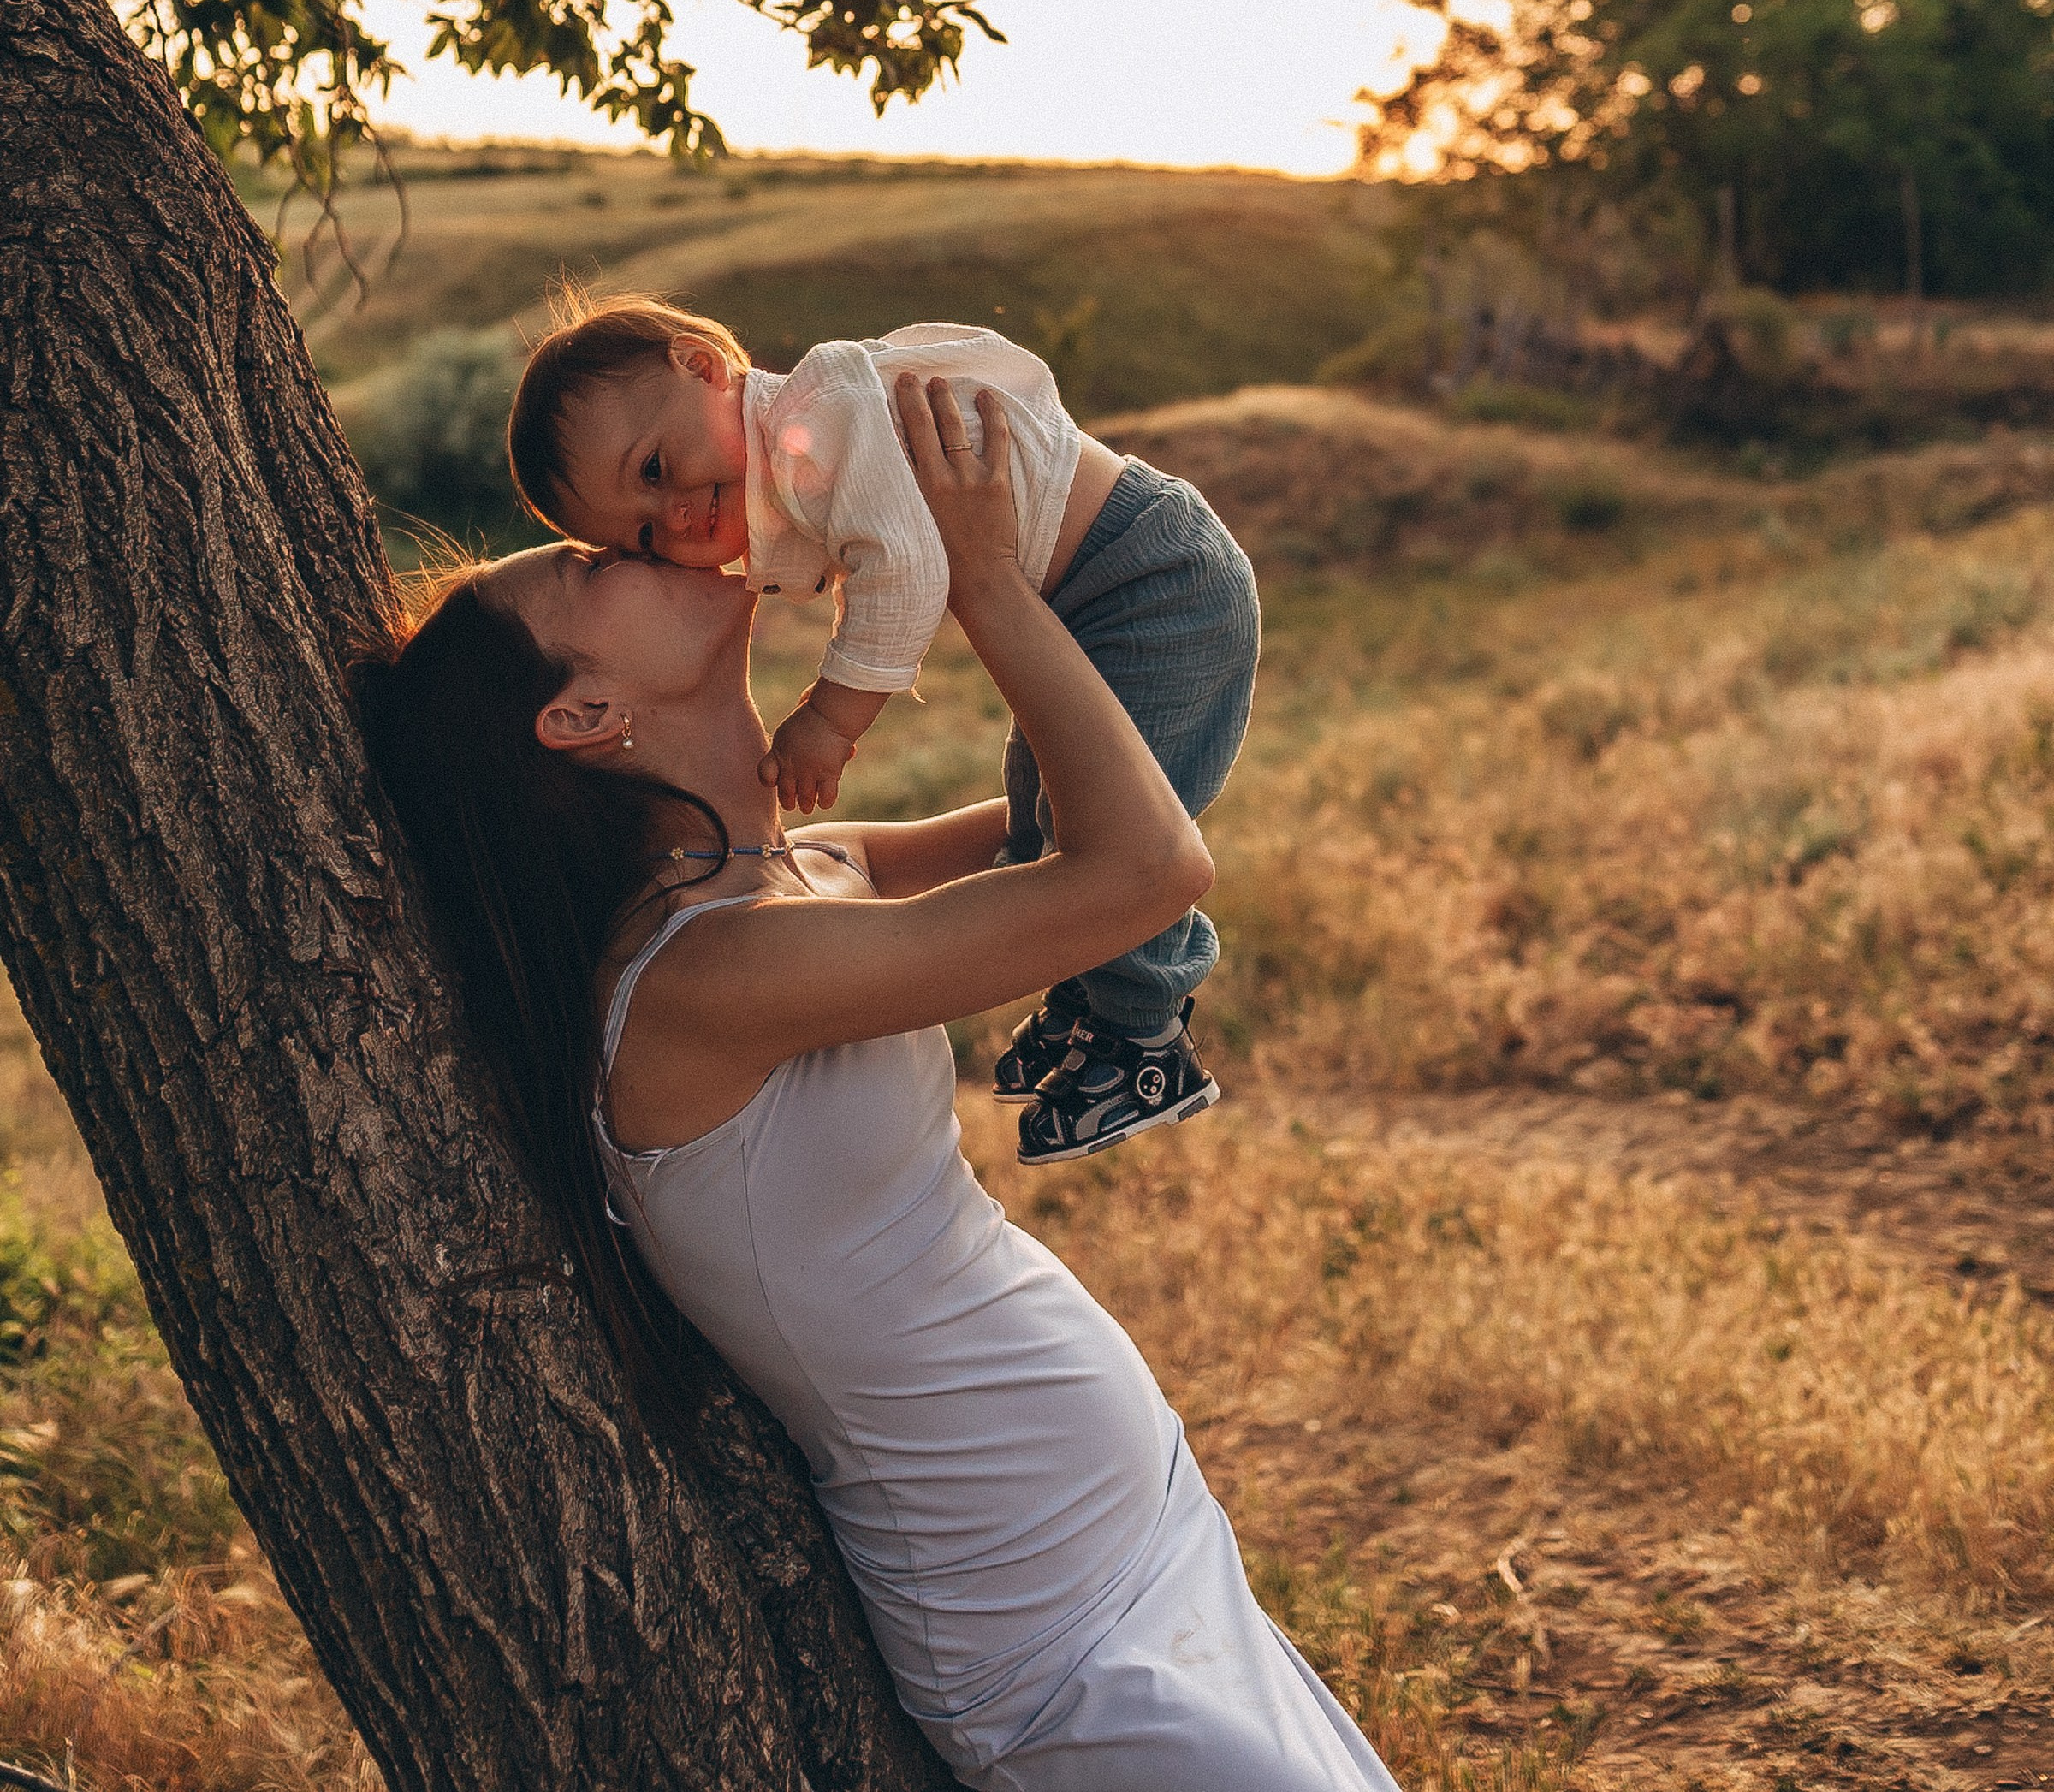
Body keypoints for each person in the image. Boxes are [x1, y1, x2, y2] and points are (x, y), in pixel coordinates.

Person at [356, 376, 1398, 1792]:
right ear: (583, 708)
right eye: (599, 563)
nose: (663, 540)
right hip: (1046, 1633)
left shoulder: (804, 867)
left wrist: (1108, 555)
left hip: (1138, 1529)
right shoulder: (692, 984)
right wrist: (977, 582)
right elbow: (1145, 870)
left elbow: (1112, 808)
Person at [504, 299, 1261, 1166]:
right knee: (1045, 797)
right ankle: (1092, 1000)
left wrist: (830, 717)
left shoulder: (817, 423)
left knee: (1098, 817)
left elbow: (905, 571)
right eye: (639, 532)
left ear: (704, 365)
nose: (672, 514)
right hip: (1106, 583)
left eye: (654, 466)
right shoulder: (788, 458)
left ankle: (1142, 1038)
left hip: (1149, 577)